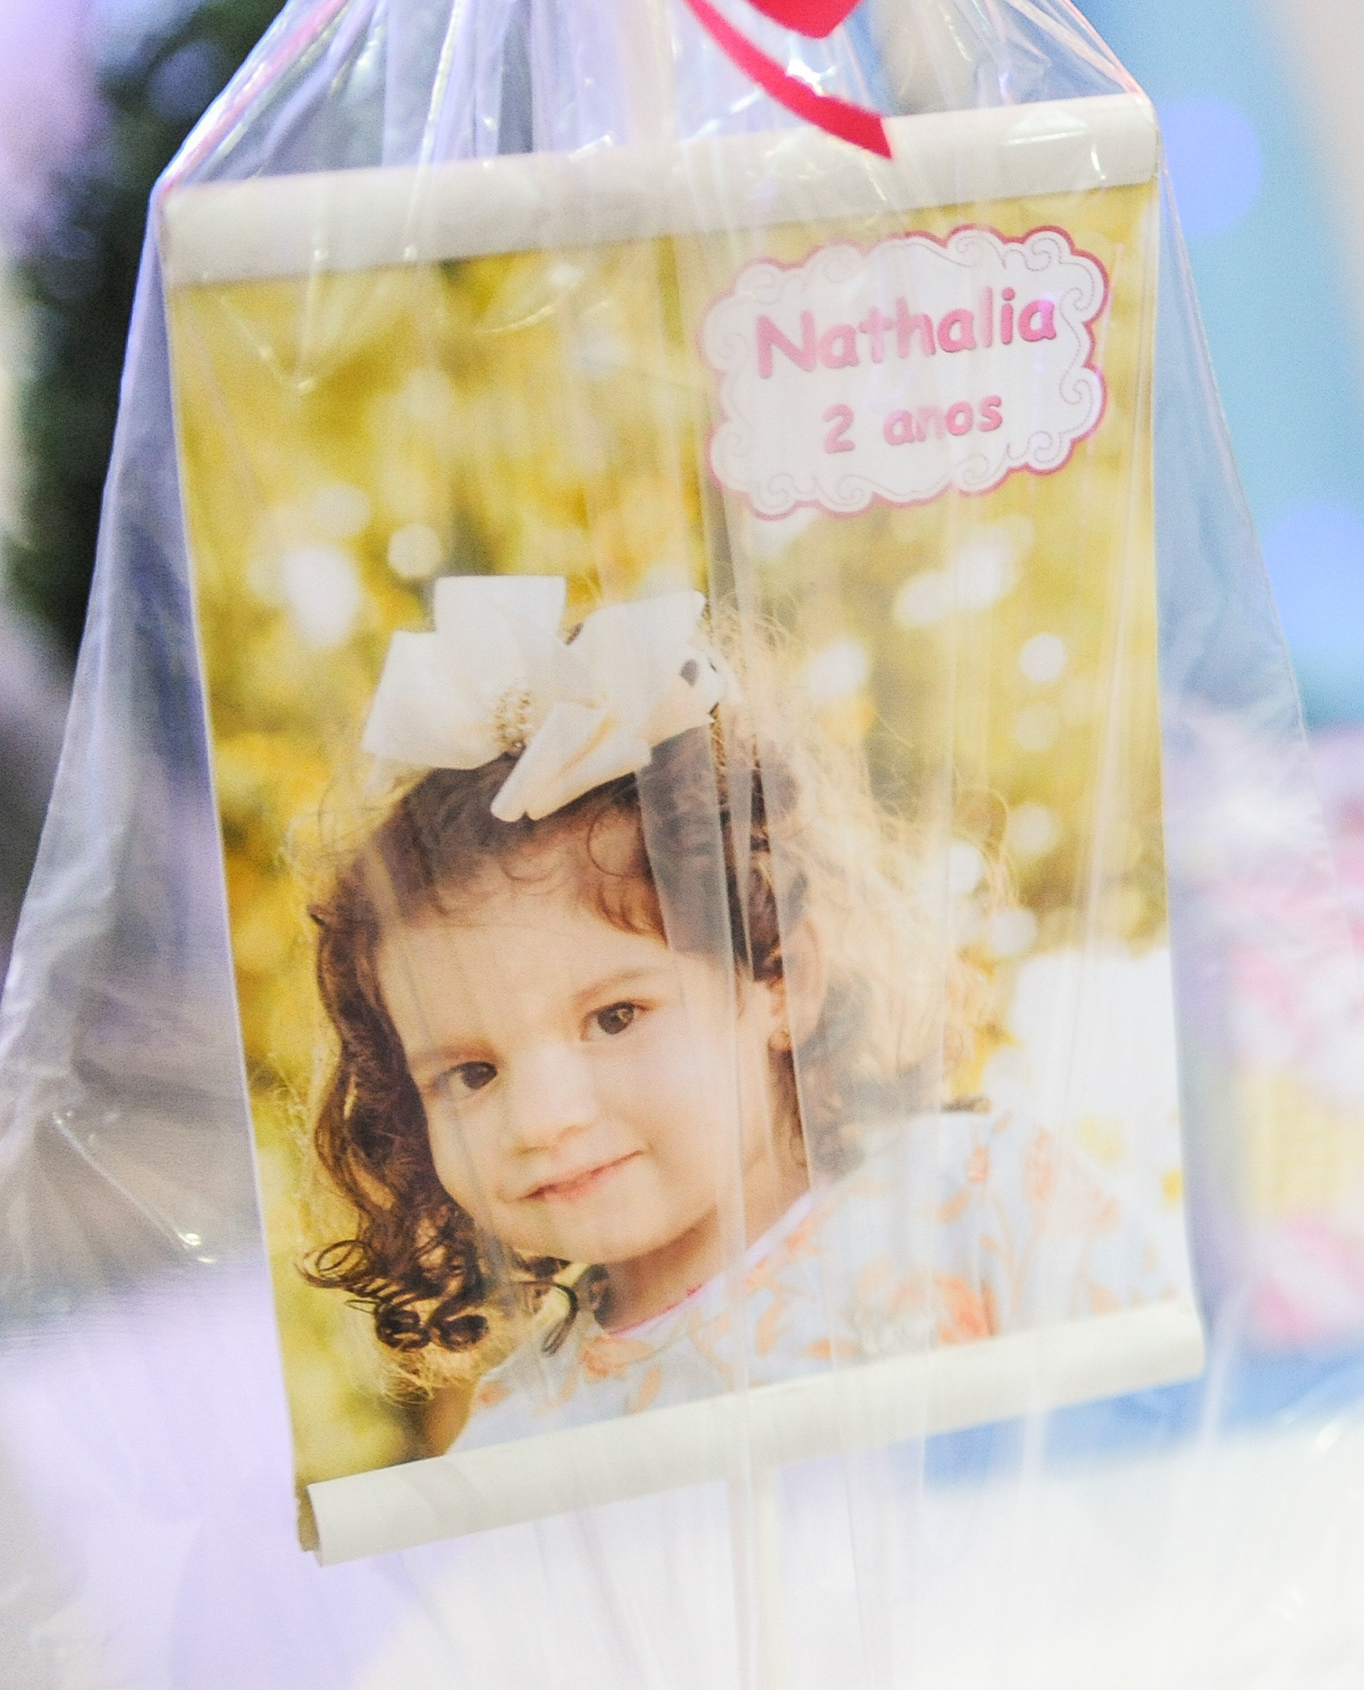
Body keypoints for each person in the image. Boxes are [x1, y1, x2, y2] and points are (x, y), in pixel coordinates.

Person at [296, 579, 1181, 1453]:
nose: (541, 1119)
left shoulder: (979, 1203)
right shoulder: (520, 1438)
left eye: (615, 1017)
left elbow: (1191, 1442)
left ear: (781, 978)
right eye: (471, 1073)